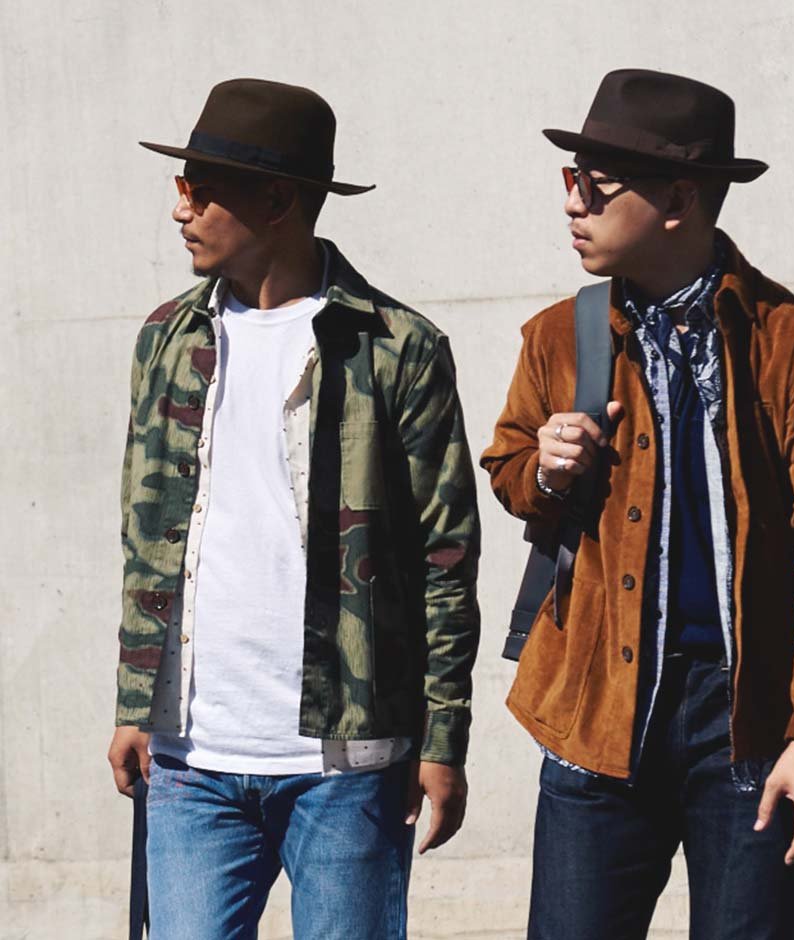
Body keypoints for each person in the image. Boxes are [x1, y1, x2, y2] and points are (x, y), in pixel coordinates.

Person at [481, 69, 794, 939]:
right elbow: (510, 472)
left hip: (747, 725)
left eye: (596, 184)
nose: (573, 203)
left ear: (676, 198)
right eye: (571, 180)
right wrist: (545, 469)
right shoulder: (559, 336)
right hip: (596, 706)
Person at [106, 78, 480, 940]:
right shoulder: (167, 338)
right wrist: (132, 702)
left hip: (347, 762)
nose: (180, 208)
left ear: (276, 201)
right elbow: (144, 537)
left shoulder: (396, 347)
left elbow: (445, 560)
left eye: (201, 188)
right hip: (191, 758)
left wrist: (442, 740)